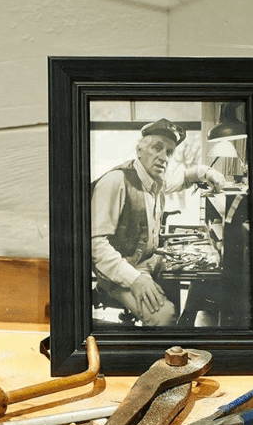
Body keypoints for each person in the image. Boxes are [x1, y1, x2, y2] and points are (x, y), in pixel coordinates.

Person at [91, 118, 226, 326]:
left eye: (169, 152)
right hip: (118, 271)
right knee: (164, 316)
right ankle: (160, 350)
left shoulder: (156, 180)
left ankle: (178, 334)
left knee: (197, 276)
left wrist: (207, 173)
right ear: (139, 150)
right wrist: (135, 279)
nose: (164, 158)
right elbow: (96, 246)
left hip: (148, 259)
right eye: (157, 148)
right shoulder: (115, 182)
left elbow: (185, 177)